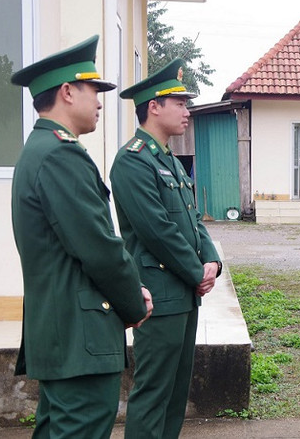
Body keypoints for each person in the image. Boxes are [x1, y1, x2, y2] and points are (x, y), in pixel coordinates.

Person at [10, 35, 153, 438]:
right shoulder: (60, 154)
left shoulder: (38, 150)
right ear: (68, 92)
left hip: (62, 335)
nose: (101, 100)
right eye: (94, 89)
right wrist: (133, 301)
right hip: (80, 338)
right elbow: (99, 248)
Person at [111, 58, 222, 438]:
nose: (187, 111)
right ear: (153, 106)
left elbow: (191, 220)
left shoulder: (170, 161)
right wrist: (196, 272)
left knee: (176, 393)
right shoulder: (132, 162)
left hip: (185, 294)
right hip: (160, 296)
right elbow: (157, 230)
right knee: (154, 392)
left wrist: (212, 262)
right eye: (180, 102)